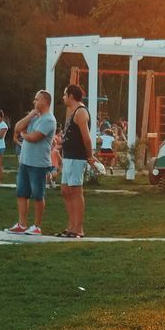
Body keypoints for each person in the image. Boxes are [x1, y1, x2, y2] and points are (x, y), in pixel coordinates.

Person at [9, 90, 58, 235]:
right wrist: (30, 115)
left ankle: (37, 226)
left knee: (37, 194)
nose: (34, 102)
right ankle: (22, 224)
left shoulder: (49, 119)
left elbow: (35, 137)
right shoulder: (35, 117)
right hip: (25, 161)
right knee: (21, 193)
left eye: (37, 99)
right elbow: (17, 128)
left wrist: (24, 135)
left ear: (45, 101)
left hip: (38, 163)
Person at [57, 84, 93, 238]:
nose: (63, 97)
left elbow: (86, 138)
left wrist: (90, 156)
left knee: (76, 192)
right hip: (68, 157)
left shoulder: (81, 112)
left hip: (77, 158)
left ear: (71, 96)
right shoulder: (73, 112)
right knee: (65, 191)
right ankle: (71, 226)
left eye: (65, 94)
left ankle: (78, 229)